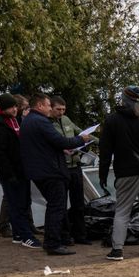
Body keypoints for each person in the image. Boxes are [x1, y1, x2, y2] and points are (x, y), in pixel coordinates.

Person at [99, 85, 139, 261]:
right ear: (138, 100)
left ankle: (117, 250)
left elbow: (105, 151)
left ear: (124, 99)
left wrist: (102, 175)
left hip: (125, 173)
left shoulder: (112, 120)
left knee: (122, 211)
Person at [19, 92, 90, 255]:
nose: (51, 108)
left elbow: (45, 144)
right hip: (50, 171)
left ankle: (57, 239)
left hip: (39, 170)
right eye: (49, 105)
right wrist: (81, 140)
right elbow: (60, 140)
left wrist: (61, 150)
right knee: (57, 206)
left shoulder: (29, 121)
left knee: (55, 205)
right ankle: (53, 243)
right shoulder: (41, 121)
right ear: (40, 106)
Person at [0, 93, 40, 248]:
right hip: (10, 171)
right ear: (4, 108)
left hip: (21, 168)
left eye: (16, 106)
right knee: (16, 203)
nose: (15, 109)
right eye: (11, 107)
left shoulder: (15, 121)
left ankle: (18, 233)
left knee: (24, 201)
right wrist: (8, 173)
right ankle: (26, 236)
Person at [50, 95, 92, 245]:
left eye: (63, 109)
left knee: (78, 203)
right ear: (51, 108)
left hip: (76, 166)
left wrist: (97, 140)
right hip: (61, 168)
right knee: (61, 204)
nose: (61, 112)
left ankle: (81, 235)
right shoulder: (47, 123)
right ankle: (65, 236)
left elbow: (81, 133)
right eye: (58, 109)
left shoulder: (66, 120)